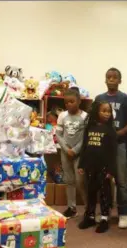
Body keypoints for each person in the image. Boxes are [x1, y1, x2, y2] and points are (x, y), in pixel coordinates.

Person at [95, 68, 127, 229]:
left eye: (114, 77)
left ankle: (124, 213)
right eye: (108, 77)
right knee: (103, 180)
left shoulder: (125, 99)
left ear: (120, 80)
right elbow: (93, 118)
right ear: (105, 80)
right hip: (103, 146)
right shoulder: (99, 98)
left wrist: (120, 133)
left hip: (119, 144)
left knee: (121, 180)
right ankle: (105, 212)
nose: (111, 80)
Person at [78, 101, 117, 233]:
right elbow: (84, 147)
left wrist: (111, 170)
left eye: (109, 111)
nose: (107, 114)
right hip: (90, 166)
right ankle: (89, 216)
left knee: (104, 193)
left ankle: (105, 218)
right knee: (91, 192)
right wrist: (81, 164)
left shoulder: (110, 130)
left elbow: (113, 152)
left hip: (104, 168)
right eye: (103, 111)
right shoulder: (89, 127)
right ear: (96, 112)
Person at [56, 89, 88, 218]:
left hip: (79, 154)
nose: (69, 104)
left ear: (79, 102)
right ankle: (71, 207)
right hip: (65, 152)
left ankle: (88, 208)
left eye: (72, 101)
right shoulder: (62, 116)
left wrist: (75, 150)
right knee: (69, 180)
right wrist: (66, 148)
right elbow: (58, 134)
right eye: (66, 102)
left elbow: (85, 137)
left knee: (80, 181)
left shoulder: (85, 116)